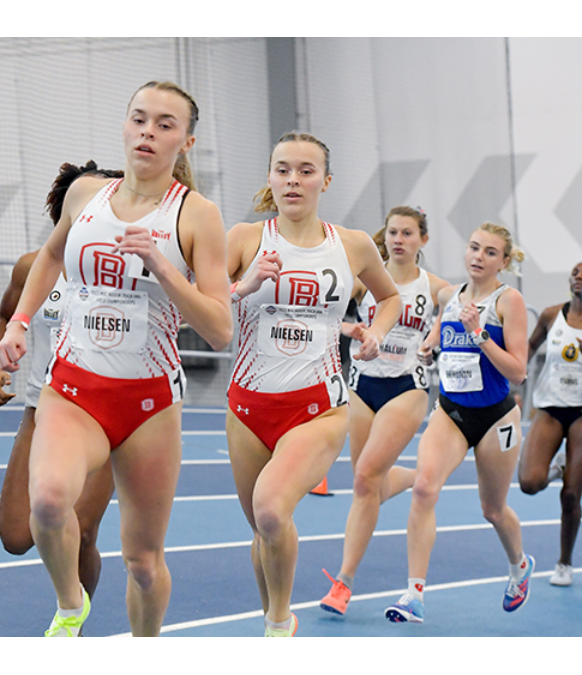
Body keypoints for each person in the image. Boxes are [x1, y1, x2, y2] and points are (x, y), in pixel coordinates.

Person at [0, 81, 232, 637]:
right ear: (125, 126)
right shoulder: (85, 197)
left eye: (165, 124)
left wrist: (165, 267)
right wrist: (21, 323)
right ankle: (70, 605)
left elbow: (220, 328)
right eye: (140, 119)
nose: (149, 132)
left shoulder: (197, 216)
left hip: (148, 404)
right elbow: (50, 256)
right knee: (49, 504)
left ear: (186, 141)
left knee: (143, 563)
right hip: (73, 388)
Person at [226, 132, 401, 637]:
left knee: (272, 510)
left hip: (317, 407)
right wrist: (244, 284)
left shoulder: (351, 244)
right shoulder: (243, 238)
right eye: (283, 169)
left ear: (325, 180)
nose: (293, 180)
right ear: (269, 177)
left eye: (305, 171)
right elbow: (205, 304)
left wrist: (376, 333)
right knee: (263, 529)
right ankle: (271, 619)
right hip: (247, 407)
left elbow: (388, 300)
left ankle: (281, 625)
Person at [385, 222, 532, 624]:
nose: (478, 257)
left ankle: (519, 565)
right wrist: (429, 351)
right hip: (450, 411)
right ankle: (413, 594)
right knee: (424, 488)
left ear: (503, 261)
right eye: (473, 248)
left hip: (495, 417)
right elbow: (435, 339)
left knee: (493, 509)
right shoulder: (451, 295)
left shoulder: (509, 300)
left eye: (489, 252)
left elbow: (518, 372)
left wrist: (480, 334)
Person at [0, 161, 118, 600]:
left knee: (81, 532)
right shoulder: (32, 268)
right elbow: (7, 315)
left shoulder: (120, 268)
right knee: (14, 535)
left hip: (105, 412)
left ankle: (72, 627)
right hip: (41, 405)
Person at [319, 206, 449, 616]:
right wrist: (351, 329)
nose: (398, 239)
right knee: (367, 485)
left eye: (408, 233)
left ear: (422, 240)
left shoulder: (433, 286)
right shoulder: (363, 282)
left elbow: (463, 302)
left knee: (363, 478)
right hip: (361, 385)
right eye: (393, 231)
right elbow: (325, 317)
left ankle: (344, 583)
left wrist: (436, 330)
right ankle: (417, 476)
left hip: (406, 388)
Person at [518, 261, 582, 586]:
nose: (580, 277)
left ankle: (564, 563)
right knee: (529, 483)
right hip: (550, 409)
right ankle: (559, 466)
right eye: (575, 271)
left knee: (572, 495)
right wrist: (515, 377)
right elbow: (529, 346)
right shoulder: (550, 315)